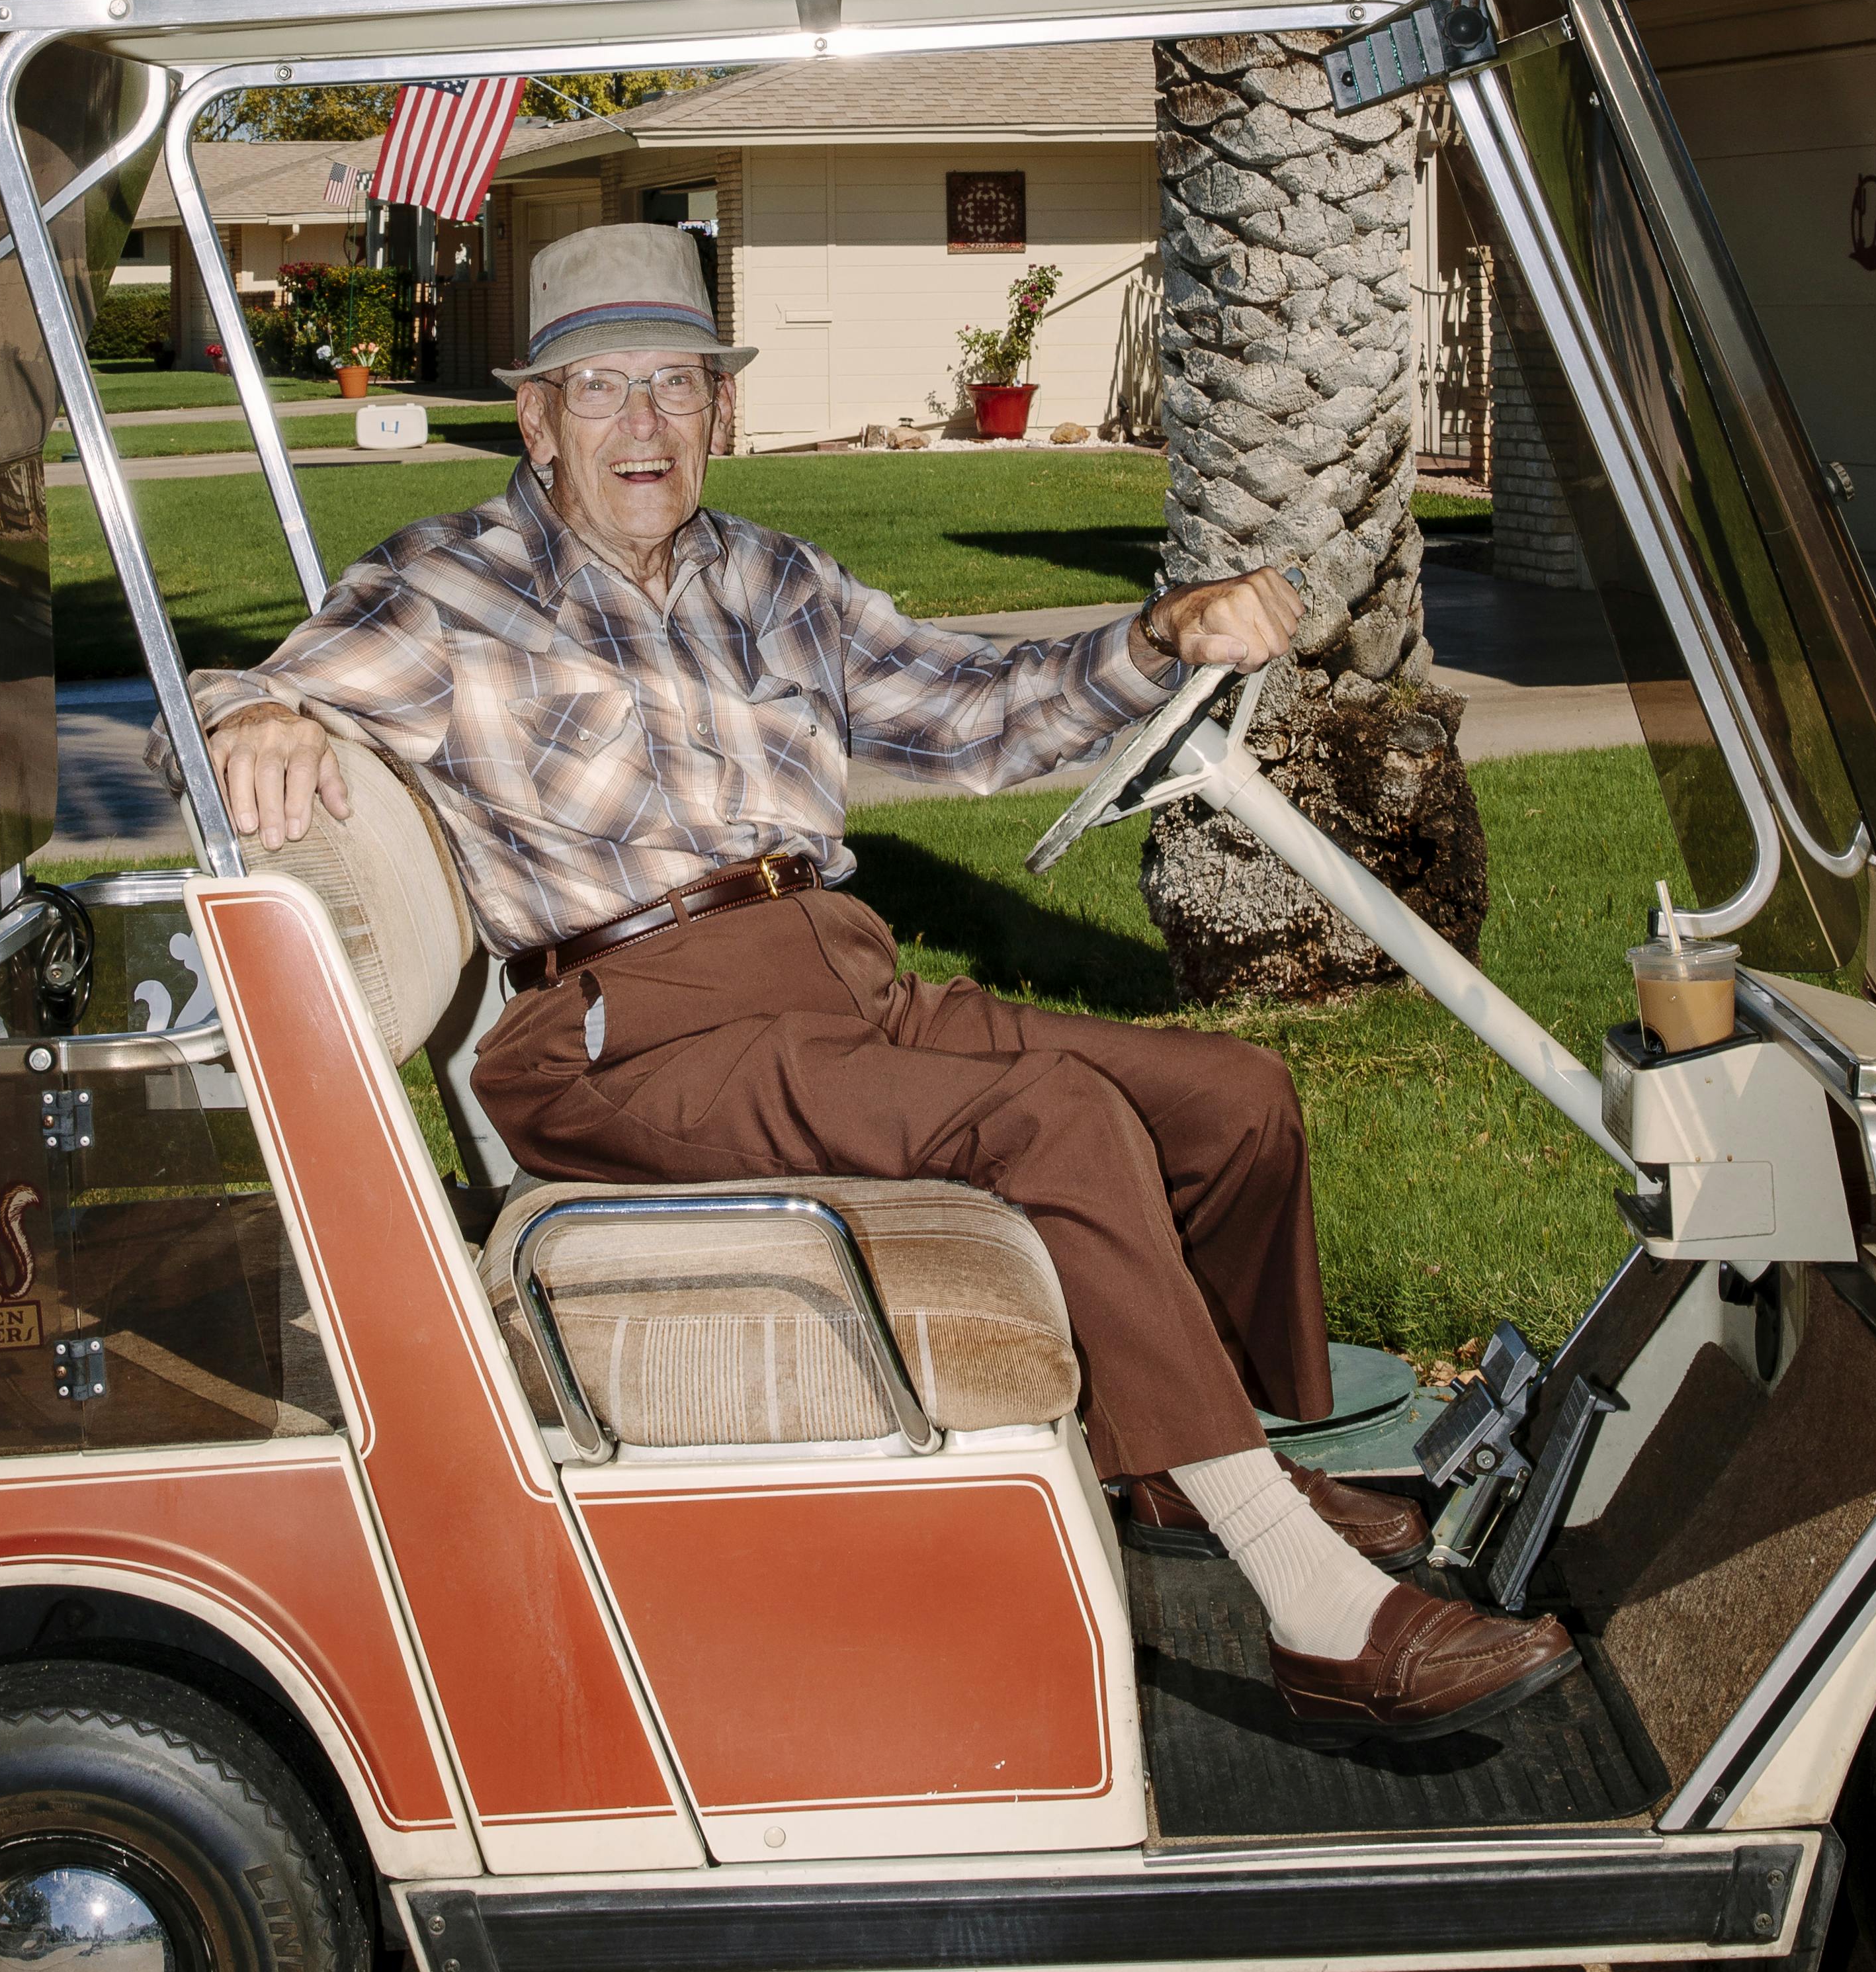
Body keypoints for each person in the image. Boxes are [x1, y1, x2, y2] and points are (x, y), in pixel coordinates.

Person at [197, 223, 1574, 1741]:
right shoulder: (449, 585)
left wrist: (1152, 636)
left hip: (846, 986)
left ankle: (1197, 1461)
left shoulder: (773, 579)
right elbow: (234, 698)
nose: (644, 424)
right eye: (602, 391)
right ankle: (1311, 1602)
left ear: (720, 411)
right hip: (634, 1030)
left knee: (1232, 1098)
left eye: (677, 386)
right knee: (1054, 1119)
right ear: (536, 418)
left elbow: (975, 713)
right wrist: (259, 713)